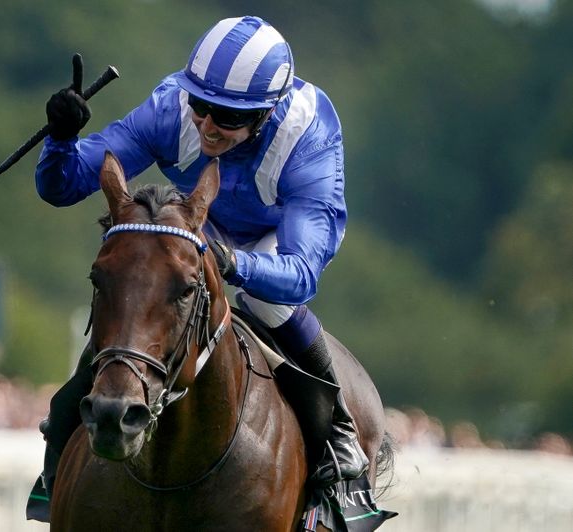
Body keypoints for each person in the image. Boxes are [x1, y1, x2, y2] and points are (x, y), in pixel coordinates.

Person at [27, 16, 367, 521]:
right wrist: (60, 139)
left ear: (266, 114)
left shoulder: (308, 139)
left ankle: (337, 432)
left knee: (269, 301)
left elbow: (300, 274)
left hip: (275, 240)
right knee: (138, 285)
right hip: (194, 225)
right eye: (201, 106)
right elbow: (65, 186)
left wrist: (231, 261)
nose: (207, 125)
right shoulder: (171, 109)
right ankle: (62, 443)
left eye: (226, 117)